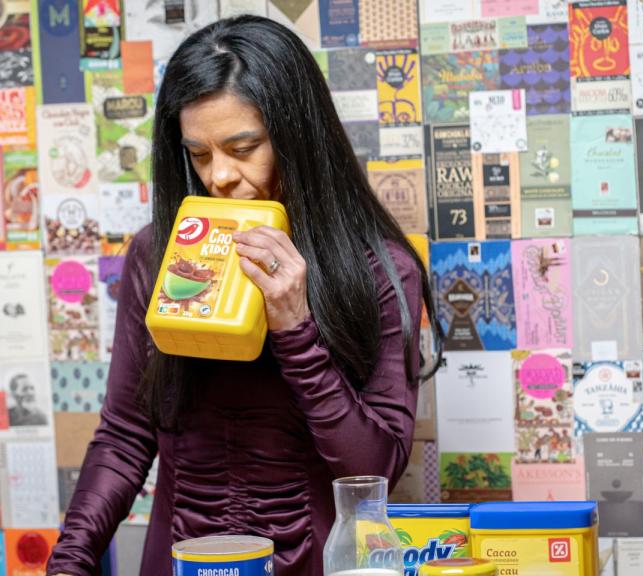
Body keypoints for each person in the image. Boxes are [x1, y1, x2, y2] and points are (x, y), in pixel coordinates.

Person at [47, 15, 441, 576]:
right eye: (200, 155)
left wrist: (296, 328)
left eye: (243, 147)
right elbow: (126, 434)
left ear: (298, 138)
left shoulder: (380, 269)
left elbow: (372, 469)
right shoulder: (156, 254)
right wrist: (71, 559)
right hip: (178, 560)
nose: (220, 176)